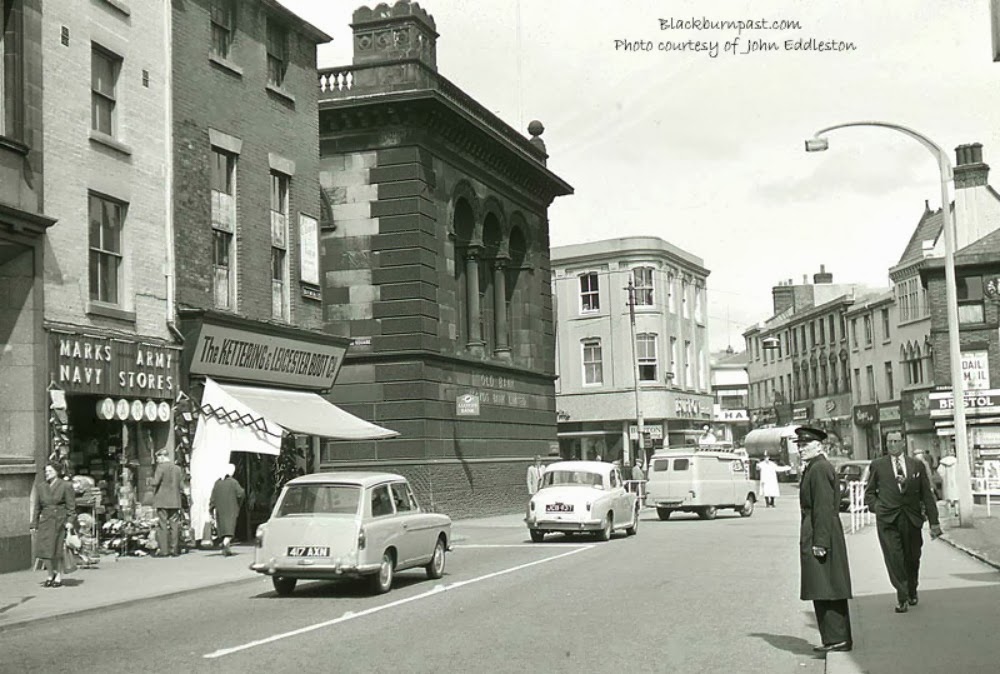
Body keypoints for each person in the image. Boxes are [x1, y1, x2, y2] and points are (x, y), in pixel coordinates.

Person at [864, 430, 942, 613]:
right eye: (889, 441)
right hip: (888, 521)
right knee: (894, 558)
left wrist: (934, 522)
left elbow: (926, 494)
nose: (892, 445)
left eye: (895, 441)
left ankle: (912, 588)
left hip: (911, 519)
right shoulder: (878, 465)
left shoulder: (916, 465)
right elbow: (869, 493)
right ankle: (902, 595)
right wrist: (878, 507)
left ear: (903, 443)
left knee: (912, 558)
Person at [797, 426, 853, 653]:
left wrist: (820, 542)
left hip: (821, 531)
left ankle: (837, 638)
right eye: (799, 445)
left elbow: (822, 507)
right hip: (820, 529)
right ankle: (834, 638)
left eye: (805, 445)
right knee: (824, 585)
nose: (800, 449)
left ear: (818, 446)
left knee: (826, 586)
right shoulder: (816, 467)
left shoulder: (819, 468)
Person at [30, 462, 76, 588]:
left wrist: (70, 521)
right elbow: (37, 507)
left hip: (59, 521)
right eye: (46, 471)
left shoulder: (66, 486)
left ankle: (58, 576)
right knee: (45, 550)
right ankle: (50, 574)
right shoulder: (41, 487)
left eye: (50, 471)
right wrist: (34, 523)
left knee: (57, 550)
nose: (47, 473)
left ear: (57, 472)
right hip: (45, 521)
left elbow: (71, 507)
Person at [152, 450, 184, 557]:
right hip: (175, 501)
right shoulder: (177, 469)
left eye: (157, 458)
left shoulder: (160, 467)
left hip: (162, 501)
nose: (157, 460)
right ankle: (174, 550)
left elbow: (155, 482)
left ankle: (164, 550)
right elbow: (181, 486)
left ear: (162, 457)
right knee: (174, 525)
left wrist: (148, 481)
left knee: (163, 525)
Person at [210, 463, 245, 556]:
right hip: (231, 508)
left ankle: (226, 549)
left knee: (223, 529)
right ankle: (225, 543)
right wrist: (239, 503)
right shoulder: (233, 482)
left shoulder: (217, 483)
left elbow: (212, 498)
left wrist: (211, 509)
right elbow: (241, 493)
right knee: (230, 530)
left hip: (220, 510)